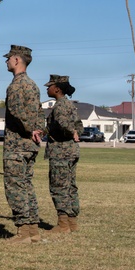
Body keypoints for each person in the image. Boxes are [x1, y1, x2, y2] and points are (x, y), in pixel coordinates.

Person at [3, 45, 46, 243]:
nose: (7, 61)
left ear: (17, 60)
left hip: (17, 144)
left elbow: (16, 110)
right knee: (26, 186)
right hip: (30, 145)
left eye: (9, 58)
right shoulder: (33, 85)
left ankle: (23, 231)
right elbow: (39, 113)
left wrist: (30, 129)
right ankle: (33, 229)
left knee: (15, 186)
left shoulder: (17, 85)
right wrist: (37, 130)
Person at [45, 75, 83, 234]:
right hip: (72, 151)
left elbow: (64, 125)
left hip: (61, 151)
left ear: (57, 89)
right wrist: (75, 132)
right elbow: (79, 126)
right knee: (70, 186)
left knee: (59, 186)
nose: (47, 89)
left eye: (50, 86)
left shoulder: (60, 106)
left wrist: (70, 132)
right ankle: (72, 221)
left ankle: (63, 224)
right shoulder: (70, 105)